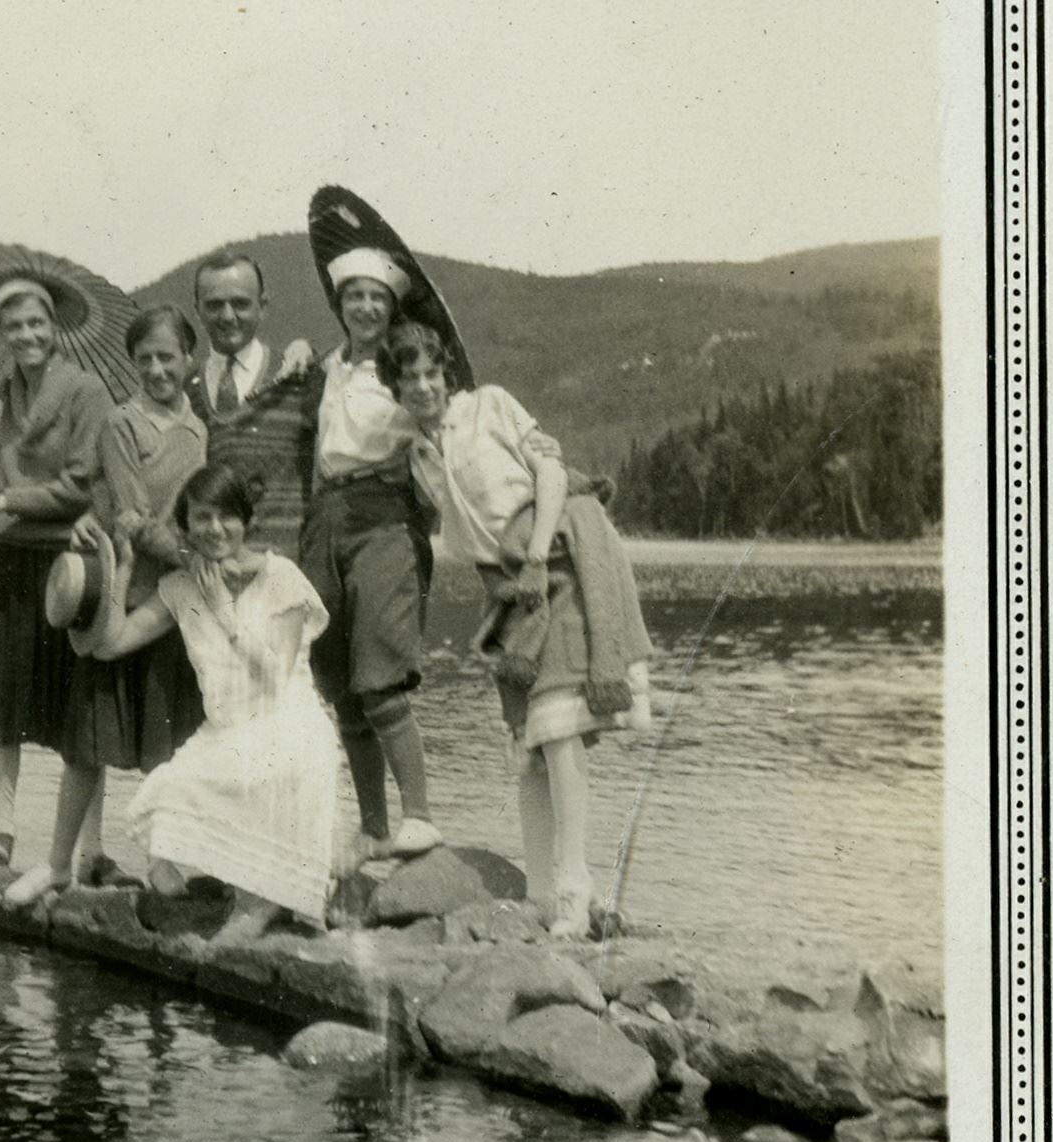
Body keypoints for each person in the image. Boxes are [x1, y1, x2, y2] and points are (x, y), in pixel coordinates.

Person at [382, 317, 652, 937]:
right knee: (528, 744)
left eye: (432, 372)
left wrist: (534, 557)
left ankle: (574, 893)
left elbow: (552, 473)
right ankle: (536, 892)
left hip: (558, 560)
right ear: (396, 387)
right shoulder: (418, 452)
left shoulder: (491, 406)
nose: (424, 386)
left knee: (560, 728)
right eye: (409, 377)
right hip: (505, 587)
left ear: (447, 372)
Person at [85, 462, 341, 937]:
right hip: (224, 732)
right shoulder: (182, 587)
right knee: (160, 796)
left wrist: (223, 610)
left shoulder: (281, 576)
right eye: (202, 518)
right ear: (186, 525)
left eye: (227, 517)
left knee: (259, 782)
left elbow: (272, 676)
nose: (215, 529)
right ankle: (218, 898)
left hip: (287, 724)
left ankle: (262, 903)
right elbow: (111, 643)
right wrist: (122, 570)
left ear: (246, 521)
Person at [6, 305, 208, 907]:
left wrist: (198, 560)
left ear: (188, 361)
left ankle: (165, 863)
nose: (156, 369)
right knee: (86, 744)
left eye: (167, 357)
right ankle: (58, 863)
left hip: (175, 606)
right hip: (123, 593)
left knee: (165, 745)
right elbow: (130, 511)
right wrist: (191, 555)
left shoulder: (201, 428)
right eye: (144, 358)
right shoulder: (122, 423)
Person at [0, 268, 111, 871]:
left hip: (66, 559)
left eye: (36, 322)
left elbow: (80, 482)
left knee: (79, 705)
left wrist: (7, 500)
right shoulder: (0, 390)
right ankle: (3, 834)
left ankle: (90, 848)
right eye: (13, 325)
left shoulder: (85, 391)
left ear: (55, 326)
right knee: (0, 697)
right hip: (6, 557)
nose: (26, 334)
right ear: (2, 332)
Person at [291, 248, 443, 858]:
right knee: (340, 684)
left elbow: (436, 424)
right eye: (354, 296)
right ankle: (375, 830)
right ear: (340, 304)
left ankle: (421, 817)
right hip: (326, 518)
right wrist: (297, 349)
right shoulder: (327, 365)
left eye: (377, 297)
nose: (365, 307)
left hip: (384, 516)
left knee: (380, 677)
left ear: (391, 307)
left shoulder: (407, 366)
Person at [187, 249, 315, 424]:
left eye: (240, 304)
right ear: (198, 312)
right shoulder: (184, 390)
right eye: (214, 305)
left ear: (262, 306)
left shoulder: (294, 374)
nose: (227, 316)